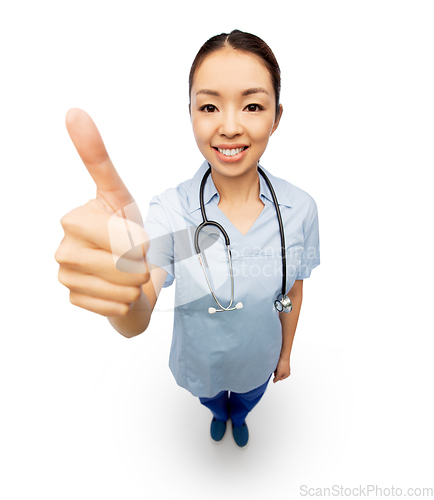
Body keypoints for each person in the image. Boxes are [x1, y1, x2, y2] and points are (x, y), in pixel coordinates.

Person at [55, 29, 320, 449]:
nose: (229, 126)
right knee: (213, 402)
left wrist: (285, 354)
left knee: (247, 399)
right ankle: (219, 414)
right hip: (204, 364)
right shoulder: (172, 211)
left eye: (252, 105)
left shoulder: (300, 209)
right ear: (192, 114)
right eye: (210, 106)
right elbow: (140, 306)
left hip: (259, 358)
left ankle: (241, 415)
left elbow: (295, 289)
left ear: (276, 117)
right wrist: (122, 287)